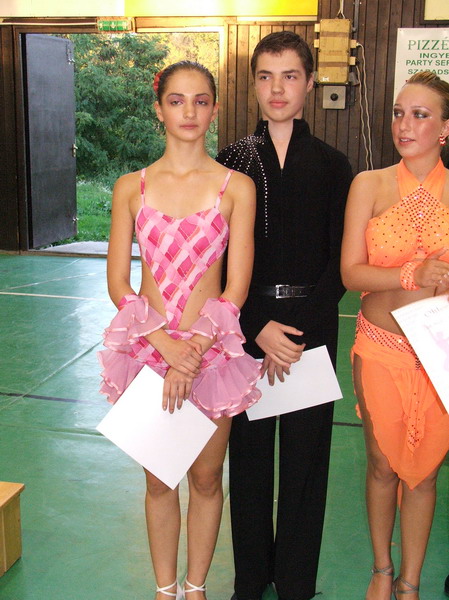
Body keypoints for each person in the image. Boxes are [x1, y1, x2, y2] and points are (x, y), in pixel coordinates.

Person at [98, 61, 261, 600]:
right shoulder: (131, 187)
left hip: (211, 356)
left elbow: (236, 287)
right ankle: (164, 590)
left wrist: (193, 351)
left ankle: (196, 588)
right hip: (149, 352)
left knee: (208, 479)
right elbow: (119, 283)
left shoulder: (236, 187)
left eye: (200, 100)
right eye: (176, 100)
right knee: (158, 478)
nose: (188, 111)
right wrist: (165, 345)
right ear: (159, 109)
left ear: (214, 109)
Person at [216, 31, 353, 600]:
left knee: (305, 464)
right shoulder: (231, 163)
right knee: (249, 464)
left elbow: (340, 262)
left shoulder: (334, 166)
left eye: (290, 76)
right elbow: (220, 259)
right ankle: (250, 580)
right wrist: (256, 327)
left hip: (308, 332)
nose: (278, 88)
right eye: (266, 76)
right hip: (248, 331)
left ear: (310, 84)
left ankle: (296, 582)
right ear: (254, 85)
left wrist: (294, 335)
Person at [341, 70, 449, 600]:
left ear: (445, 128)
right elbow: (351, 273)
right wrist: (412, 274)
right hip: (380, 348)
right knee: (382, 464)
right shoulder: (370, 184)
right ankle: (382, 569)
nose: (404, 125)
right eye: (398, 113)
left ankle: (411, 582)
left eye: (420, 115)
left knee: (425, 473)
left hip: (439, 357)